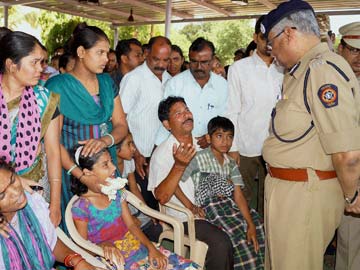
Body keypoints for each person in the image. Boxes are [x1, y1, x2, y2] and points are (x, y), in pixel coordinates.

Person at [260, 1, 360, 269]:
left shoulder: (322, 70)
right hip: (289, 191)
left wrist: (352, 196)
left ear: (289, 33)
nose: (272, 53)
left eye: (272, 44)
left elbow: (347, 154)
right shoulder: (301, 71)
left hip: (304, 194)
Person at [45, 22, 128, 233]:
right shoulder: (56, 86)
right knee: (78, 231)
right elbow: (51, 142)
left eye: (107, 53)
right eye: (99, 52)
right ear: (81, 52)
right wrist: (82, 176)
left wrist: (105, 140)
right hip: (72, 171)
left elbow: (120, 125)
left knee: (112, 227)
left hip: (106, 166)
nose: (106, 59)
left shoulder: (108, 83)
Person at [70, 145, 199, 270]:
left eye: (111, 161)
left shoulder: (116, 191)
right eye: (105, 165)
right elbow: (82, 248)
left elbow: (131, 226)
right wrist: (102, 245)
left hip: (137, 248)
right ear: (87, 173)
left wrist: (152, 249)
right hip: (112, 261)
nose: (114, 167)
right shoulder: (82, 208)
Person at [149, 96, 234, 270]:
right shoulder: (162, 154)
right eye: (178, 113)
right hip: (184, 218)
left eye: (187, 110)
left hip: (212, 206)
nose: (186, 115)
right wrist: (179, 166)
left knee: (248, 228)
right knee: (220, 242)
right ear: (167, 124)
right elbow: (162, 197)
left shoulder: (201, 143)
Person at [179, 116, 265, 269]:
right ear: (208, 138)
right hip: (210, 207)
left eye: (229, 137)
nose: (225, 141)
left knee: (258, 225)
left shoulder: (231, 164)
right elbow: (177, 184)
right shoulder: (197, 158)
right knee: (235, 235)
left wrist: (250, 223)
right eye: (219, 136)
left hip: (230, 205)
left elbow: (238, 195)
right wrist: (191, 206)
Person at [0, 31, 62, 226]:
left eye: (42, 62)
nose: (40, 69)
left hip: (36, 189)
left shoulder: (45, 100)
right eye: (34, 63)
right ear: (11, 65)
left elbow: (53, 153)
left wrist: (55, 203)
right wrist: (13, 180)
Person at [226, 15, 284, 216]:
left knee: (272, 199)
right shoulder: (239, 69)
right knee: (244, 197)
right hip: (247, 147)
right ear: (255, 37)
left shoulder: (285, 68)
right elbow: (232, 109)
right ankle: (247, 243)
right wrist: (232, 148)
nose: (268, 42)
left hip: (278, 146)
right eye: (263, 37)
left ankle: (268, 243)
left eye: (273, 37)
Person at [0, 162, 97, 269]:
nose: (15, 192)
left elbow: (50, 244)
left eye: (13, 180)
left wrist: (76, 260)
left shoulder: (32, 203)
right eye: (2, 195)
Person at [120, 36, 172, 210]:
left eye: (166, 60)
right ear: (147, 53)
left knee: (160, 205)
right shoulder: (134, 79)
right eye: (156, 59)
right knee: (141, 208)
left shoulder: (169, 80)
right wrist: (135, 153)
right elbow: (120, 118)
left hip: (161, 156)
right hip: (138, 157)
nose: (161, 65)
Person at [155, 37, 228, 149]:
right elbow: (166, 118)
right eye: (194, 61)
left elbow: (226, 118)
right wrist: (158, 147)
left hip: (212, 151)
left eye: (204, 62)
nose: (198, 67)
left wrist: (211, 136)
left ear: (213, 60)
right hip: (180, 150)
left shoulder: (222, 85)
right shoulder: (175, 84)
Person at [336, 21, 360, 270]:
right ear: (341, 48)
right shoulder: (331, 82)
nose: (359, 57)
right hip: (346, 171)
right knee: (351, 239)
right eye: (354, 49)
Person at [116, 133, 163, 242]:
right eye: (129, 144)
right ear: (116, 149)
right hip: (117, 211)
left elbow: (134, 189)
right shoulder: (108, 168)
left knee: (156, 229)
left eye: (133, 143)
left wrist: (147, 211)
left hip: (129, 204)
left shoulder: (129, 162)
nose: (134, 148)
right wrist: (128, 217)